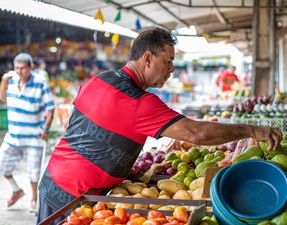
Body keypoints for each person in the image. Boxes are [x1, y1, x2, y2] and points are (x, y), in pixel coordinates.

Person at [36, 28, 282, 224]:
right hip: (74, 194)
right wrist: (252, 130)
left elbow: (76, 126)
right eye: (168, 61)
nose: (172, 69)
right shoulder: (141, 102)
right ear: (147, 58)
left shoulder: (96, 80)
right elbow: (196, 133)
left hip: (56, 179)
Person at [0, 53, 55, 212]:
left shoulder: (40, 82)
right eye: (16, 68)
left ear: (31, 67)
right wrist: (5, 80)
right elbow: (3, 99)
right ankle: (16, 190)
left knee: (33, 173)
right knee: (1, 166)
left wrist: (45, 129)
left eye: (23, 68)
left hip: (34, 136)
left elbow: (50, 108)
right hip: (13, 136)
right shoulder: (11, 80)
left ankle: (34, 200)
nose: (19, 71)